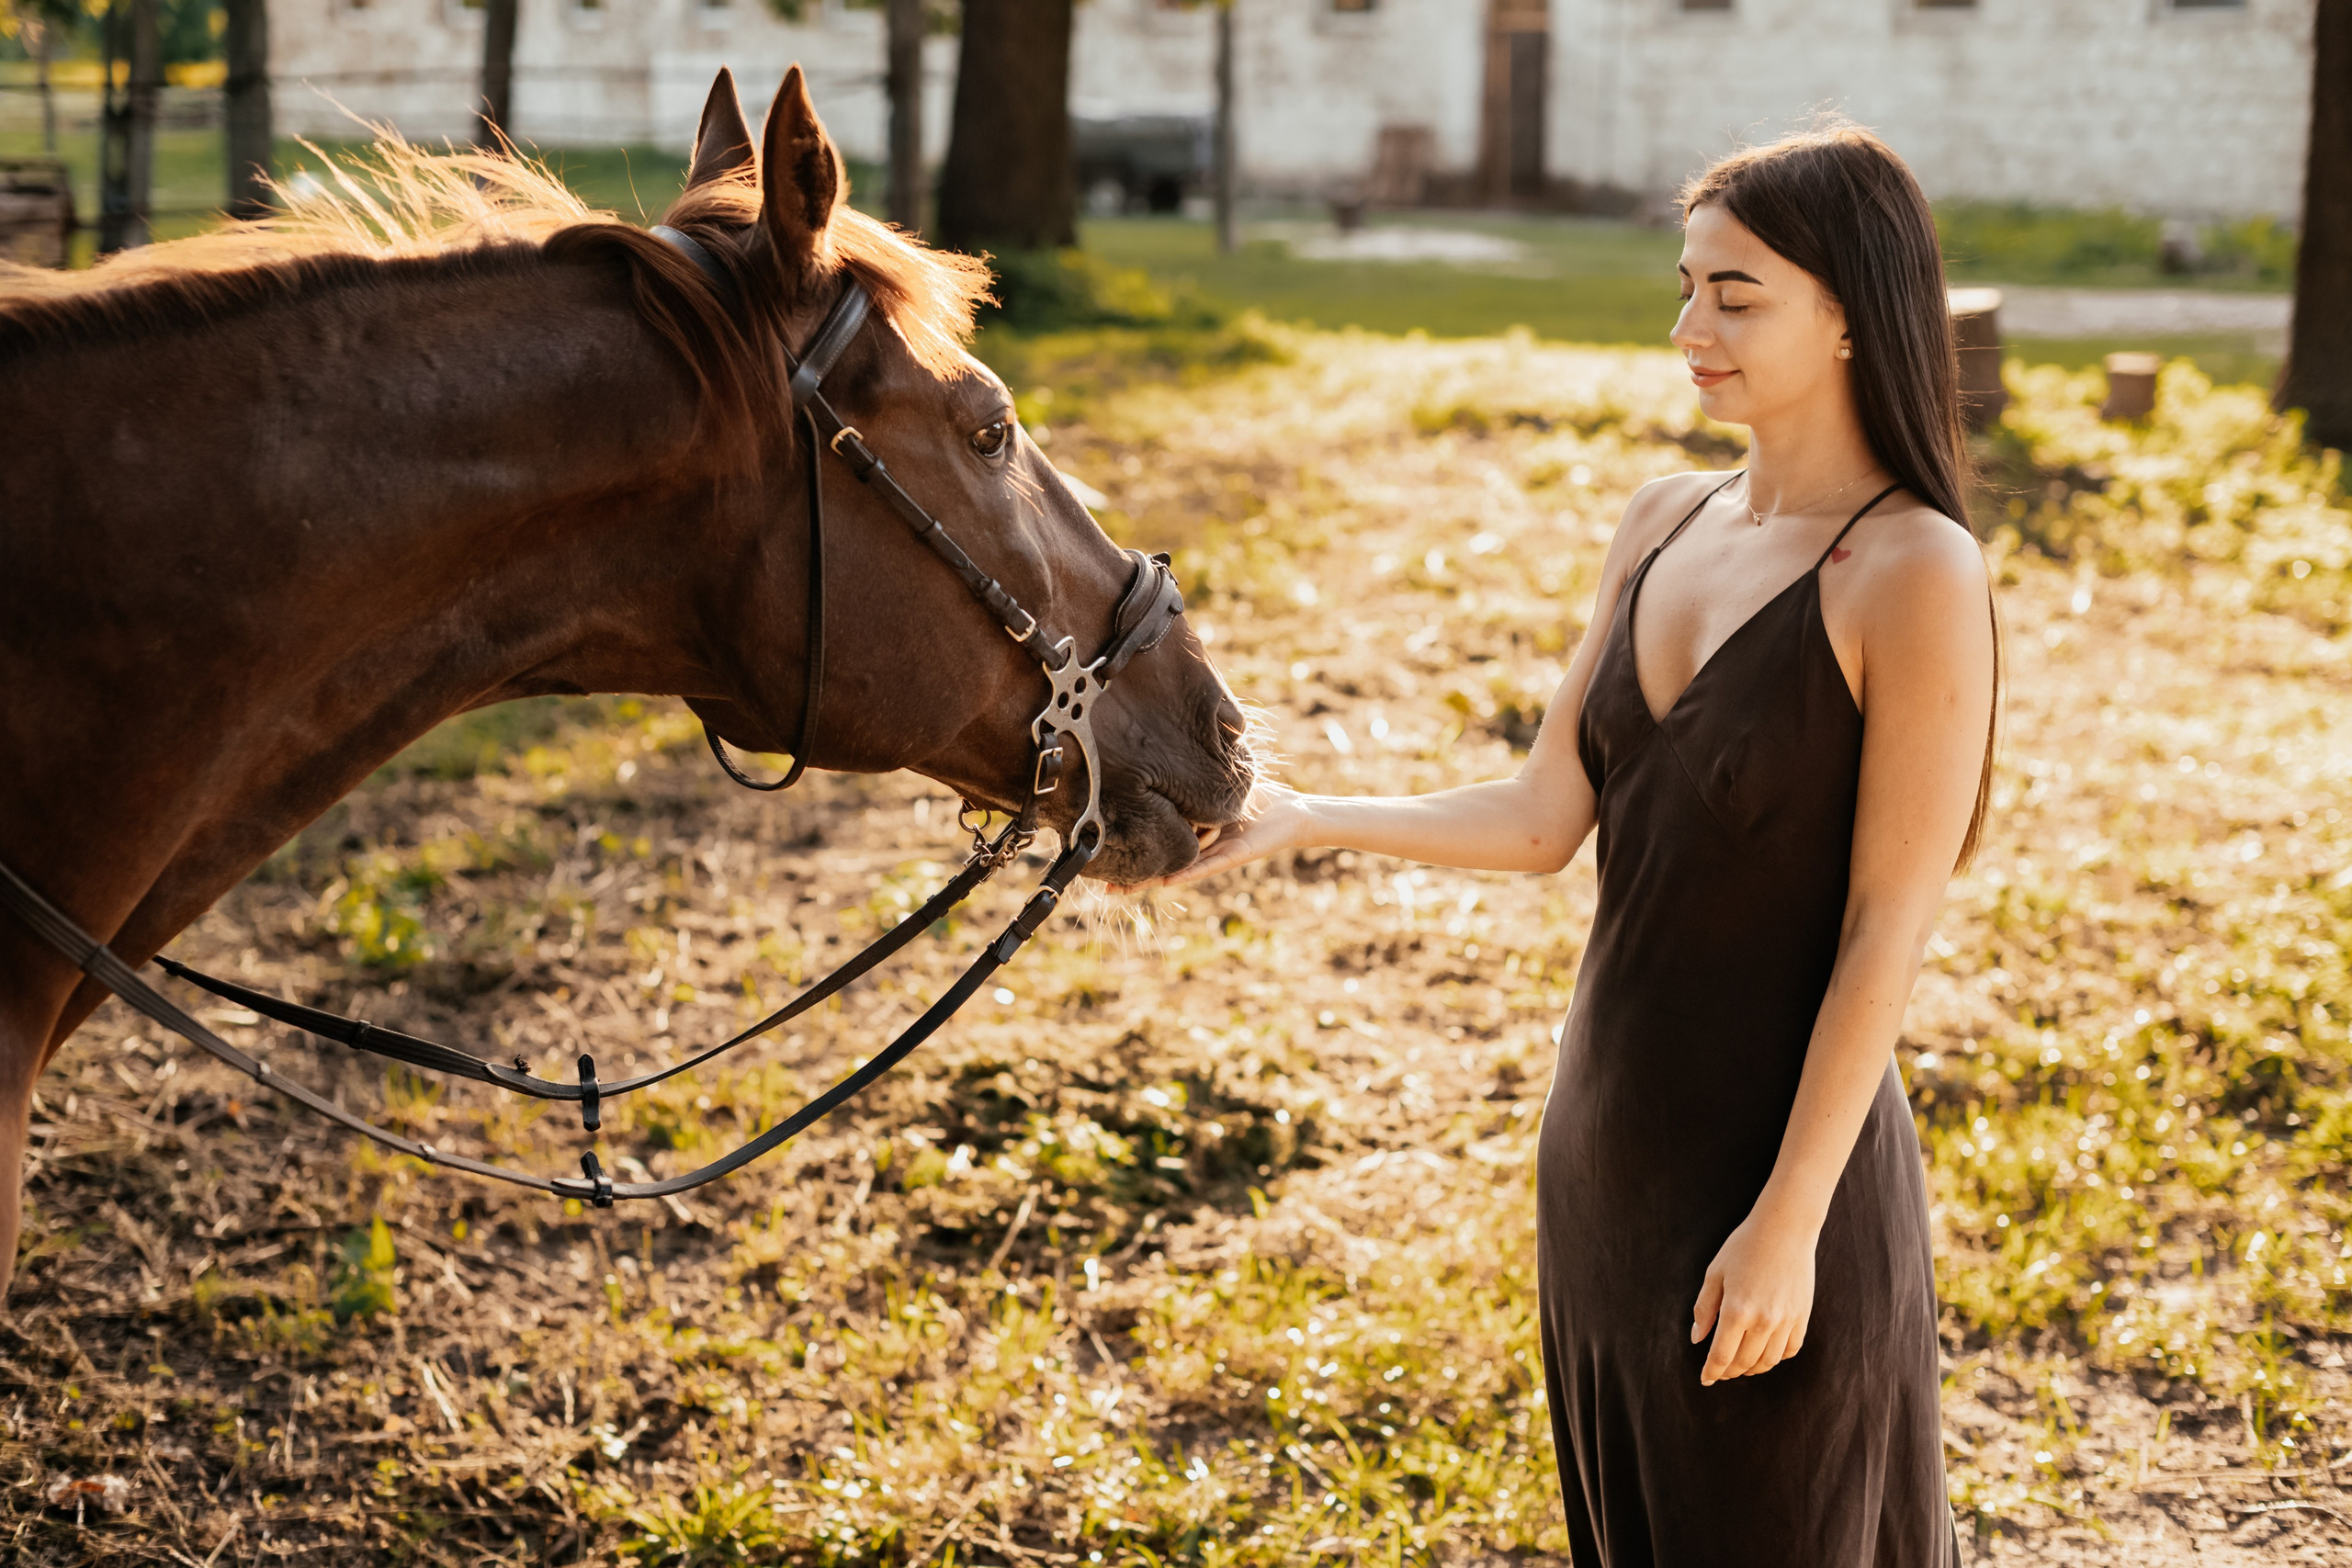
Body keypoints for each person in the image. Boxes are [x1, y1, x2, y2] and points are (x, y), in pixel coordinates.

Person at [1158, 121, 1996, 1565]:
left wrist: (1790, 1223)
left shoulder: (1915, 569)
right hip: (1607, 1164)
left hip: (1781, 1186)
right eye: (1687, 287)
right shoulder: (1663, 520)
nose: (1690, 329)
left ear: (1854, 310)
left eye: (1737, 296)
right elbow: (1547, 815)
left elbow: (1885, 931)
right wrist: (1306, 816)